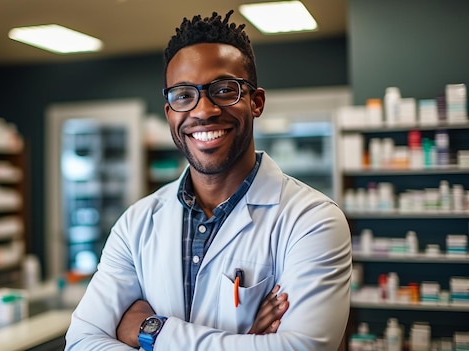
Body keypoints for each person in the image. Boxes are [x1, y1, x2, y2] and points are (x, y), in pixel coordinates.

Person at [65, 9, 352, 351]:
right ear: (169, 112)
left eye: (224, 90)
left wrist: (150, 331)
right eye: (183, 95)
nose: (203, 110)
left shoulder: (313, 220)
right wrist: (243, 342)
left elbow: (303, 348)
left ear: (256, 102)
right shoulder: (135, 224)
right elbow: (82, 342)